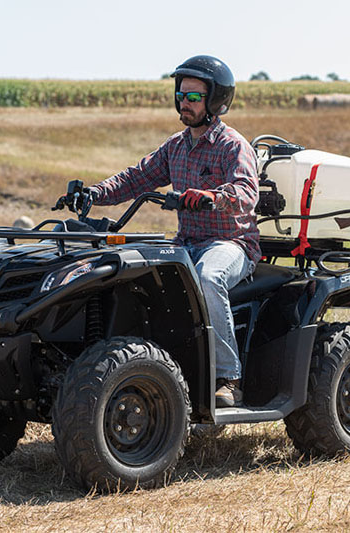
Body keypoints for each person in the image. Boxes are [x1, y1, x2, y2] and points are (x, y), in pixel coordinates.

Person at [86, 55, 259, 407]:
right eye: (181, 95)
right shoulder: (176, 146)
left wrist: (212, 197)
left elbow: (246, 194)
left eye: (194, 97)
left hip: (230, 243)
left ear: (215, 101)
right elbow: (135, 178)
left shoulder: (233, 145)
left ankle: (229, 378)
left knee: (208, 278)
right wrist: (93, 194)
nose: (185, 103)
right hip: (186, 242)